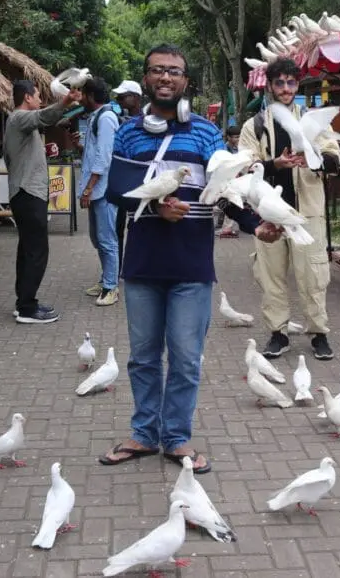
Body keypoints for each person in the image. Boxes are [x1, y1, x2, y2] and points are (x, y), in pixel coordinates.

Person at [99, 44, 284, 475]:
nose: (165, 78)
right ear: (145, 78)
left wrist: (255, 222)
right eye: (157, 70)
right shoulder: (128, 132)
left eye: (174, 72)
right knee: (143, 357)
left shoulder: (205, 133)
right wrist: (158, 206)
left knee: (184, 357)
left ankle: (177, 438)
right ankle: (144, 434)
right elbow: (115, 191)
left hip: (192, 265)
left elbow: (227, 187)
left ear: (186, 81)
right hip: (143, 263)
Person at [239, 57, 340, 361]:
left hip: (306, 213)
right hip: (269, 215)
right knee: (271, 276)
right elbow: (245, 167)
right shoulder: (254, 126)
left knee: (313, 275)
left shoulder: (312, 120)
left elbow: (332, 153)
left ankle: (319, 333)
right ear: (269, 86)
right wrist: (275, 164)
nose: (286, 88)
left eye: (291, 82)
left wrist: (318, 158)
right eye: (280, 82)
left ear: (297, 84)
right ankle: (277, 333)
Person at [3, 79, 82, 324]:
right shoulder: (19, 118)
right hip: (28, 193)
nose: (39, 99)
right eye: (37, 95)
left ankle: (23, 303)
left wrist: (73, 109)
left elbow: (47, 118)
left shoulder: (21, 123)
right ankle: (27, 308)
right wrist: (66, 101)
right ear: (27, 97)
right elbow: (44, 116)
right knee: (37, 251)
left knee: (28, 251)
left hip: (26, 193)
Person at [78, 77, 121, 306]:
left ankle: (111, 287)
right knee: (98, 239)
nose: (81, 99)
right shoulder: (97, 118)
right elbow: (96, 152)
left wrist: (89, 188)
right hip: (97, 190)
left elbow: (103, 158)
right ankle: (106, 279)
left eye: (83, 94)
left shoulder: (105, 118)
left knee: (107, 240)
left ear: (92, 96)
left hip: (102, 190)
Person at [112, 79, 143, 278]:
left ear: (136, 98)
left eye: (123, 96)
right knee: (118, 229)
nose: (119, 100)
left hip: (142, 185)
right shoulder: (119, 121)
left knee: (139, 227)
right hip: (124, 183)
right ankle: (117, 270)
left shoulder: (148, 121)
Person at [217, 126, 242, 238]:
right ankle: (227, 227)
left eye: (239, 137)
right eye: (236, 137)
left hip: (238, 179)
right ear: (228, 137)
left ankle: (225, 223)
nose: (238, 139)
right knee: (231, 201)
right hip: (227, 179)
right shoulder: (223, 149)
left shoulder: (239, 148)